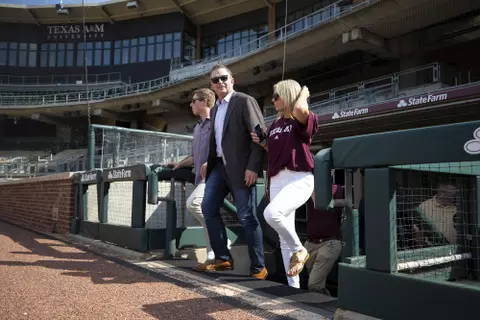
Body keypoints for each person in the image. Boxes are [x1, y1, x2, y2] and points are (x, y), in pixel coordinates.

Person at [194, 64, 268, 280]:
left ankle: (258, 268)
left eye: (223, 78)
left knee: (247, 217)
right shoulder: (215, 108)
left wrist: (253, 167)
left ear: (232, 80)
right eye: (215, 80)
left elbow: (259, 136)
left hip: (242, 169)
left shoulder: (244, 101)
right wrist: (210, 161)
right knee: (208, 208)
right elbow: (218, 140)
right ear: (212, 86)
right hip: (218, 167)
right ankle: (223, 258)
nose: (220, 82)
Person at [251, 79, 318, 288]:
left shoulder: (301, 117)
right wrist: (262, 141)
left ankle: (301, 249)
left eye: (277, 95)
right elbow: (276, 152)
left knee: (271, 214)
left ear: (288, 95)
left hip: (299, 177)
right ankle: (293, 288)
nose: (273, 100)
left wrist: (303, 93)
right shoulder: (276, 123)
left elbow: (299, 108)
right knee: (282, 237)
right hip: (278, 178)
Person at [168, 88, 231, 264]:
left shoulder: (217, 122)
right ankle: (214, 251)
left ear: (204, 101)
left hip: (217, 174)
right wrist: (180, 164)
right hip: (202, 177)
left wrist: (212, 161)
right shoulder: (197, 127)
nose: (191, 104)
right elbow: (196, 156)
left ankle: (222, 239)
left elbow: (227, 147)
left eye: (194, 100)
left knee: (194, 203)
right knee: (206, 211)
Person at [306, 176, 351, 295]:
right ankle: (327, 306)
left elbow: (343, 202)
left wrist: (315, 193)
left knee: (314, 284)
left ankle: (324, 309)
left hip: (329, 243)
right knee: (315, 284)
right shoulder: (307, 187)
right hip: (310, 244)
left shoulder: (336, 188)